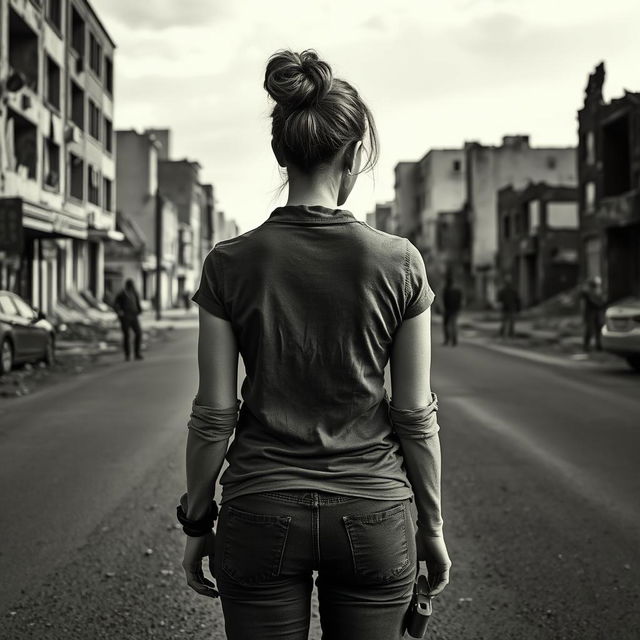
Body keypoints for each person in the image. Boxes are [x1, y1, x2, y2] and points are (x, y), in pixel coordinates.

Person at [178, 49, 451, 640]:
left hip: (259, 509)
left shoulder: (228, 264)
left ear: (280, 152)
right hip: (373, 512)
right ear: (353, 155)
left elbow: (214, 415)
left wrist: (197, 519)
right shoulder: (400, 263)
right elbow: (413, 414)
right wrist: (429, 525)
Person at [113, 278, 143, 361]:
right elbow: (115, 304)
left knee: (138, 333)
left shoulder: (135, 293)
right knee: (127, 336)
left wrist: (139, 310)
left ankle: (137, 353)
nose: (132, 287)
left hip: (134, 316)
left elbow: (137, 303)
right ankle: (127, 355)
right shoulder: (122, 294)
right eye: (131, 285)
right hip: (125, 317)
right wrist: (119, 312)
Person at [581, 276, 606, 352]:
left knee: (598, 329)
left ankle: (598, 345)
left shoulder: (598, 291)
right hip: (590, 313)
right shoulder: (588, 292)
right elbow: (592, 302)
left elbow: (601, 301)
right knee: (590, 330)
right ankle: (586, 346)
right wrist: (600, 305)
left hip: (597, 313)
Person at [442, 274, 463, 346]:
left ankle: (447, 340)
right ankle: (454, 340)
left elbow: (444, 300)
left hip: (448, 310)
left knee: (446, 325)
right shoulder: (457, 290)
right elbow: (461, 300)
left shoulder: (446, 290)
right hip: (455, 310)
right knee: (454, 325)